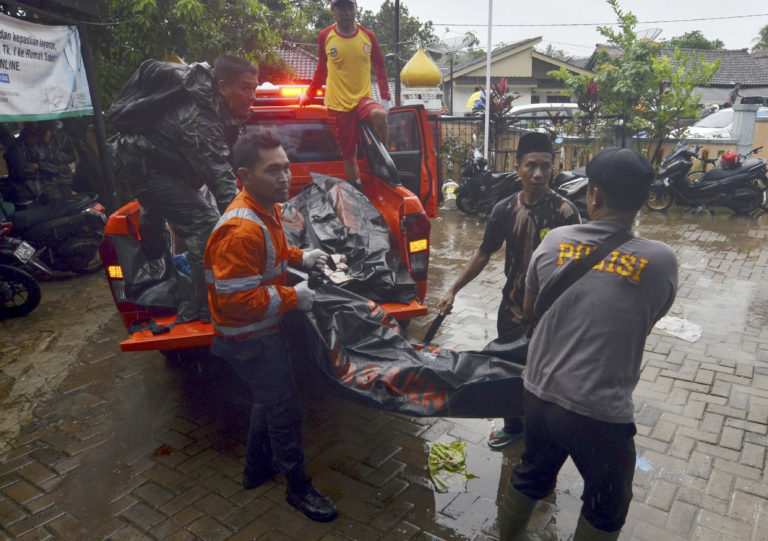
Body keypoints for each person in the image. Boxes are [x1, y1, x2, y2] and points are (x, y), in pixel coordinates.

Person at [498, 147, 678, 541]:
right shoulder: (661, 260)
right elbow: (649, 318)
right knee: (608, 503)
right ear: (645, 199)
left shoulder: (554, 241)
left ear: (593, 195)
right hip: (599, 412)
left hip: (539, 393)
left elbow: (529, 310)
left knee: (531, 473)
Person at [204, 128, 337, 523]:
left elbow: (272, 252)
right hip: (249, 338)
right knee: (284, 409)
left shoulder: (265, 208)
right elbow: (235, 301)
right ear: (244, 176)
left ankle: (256, 469)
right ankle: (298, 487)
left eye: (286, 167)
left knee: (268, 398)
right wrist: (296, 297)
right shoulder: (240, 229)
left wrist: (301, 256)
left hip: (261, 330)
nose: (285, 177)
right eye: (273, 170)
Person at [437, 132, 580, 450]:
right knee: (507, 373)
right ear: (518, 168)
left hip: (552, 315)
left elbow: (577, 267)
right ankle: (513, 427)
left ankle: (541, 430)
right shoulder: (504, 209)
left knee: (547, 375)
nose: (538, 174)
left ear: (553, 167)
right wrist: (453, 289)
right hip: (512, 310)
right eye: (531, 166)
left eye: (545, 166)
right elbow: (483, 253)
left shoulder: (566, 213)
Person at [108, 56, 259, 321]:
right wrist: (251, 231)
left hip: (159, 162)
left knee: (160, 210)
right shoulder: (200, 119)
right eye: (246, 88)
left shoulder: (214, 106)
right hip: (143, 167)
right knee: (205, 225)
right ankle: (209, 306)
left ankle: (155, 263)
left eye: (254, 88)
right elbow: (222, 184)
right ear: (223, 87)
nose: (252, 96)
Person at [298, 0, 391, 186]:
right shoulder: (326, 35)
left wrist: (385, 97)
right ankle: (358, 191)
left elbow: (380, 66)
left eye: (350, 7)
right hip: (338, 104)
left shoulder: (367, 36)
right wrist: (309, 94)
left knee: (380, 115)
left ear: (356, 8)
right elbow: (321, 69)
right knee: (349, 156)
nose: (346, 12)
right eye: (341, 7)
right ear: (333, 10)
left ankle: (381, 159)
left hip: (363, 99)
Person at [4, 122, 72, 205]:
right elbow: (23, 171)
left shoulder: (43, 145)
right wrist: (47, 170)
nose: (50, 134)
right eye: (48, 132)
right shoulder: (16, 148)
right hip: (28, 198)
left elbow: (56, 167)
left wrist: (39, 166)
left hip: (50, 194)